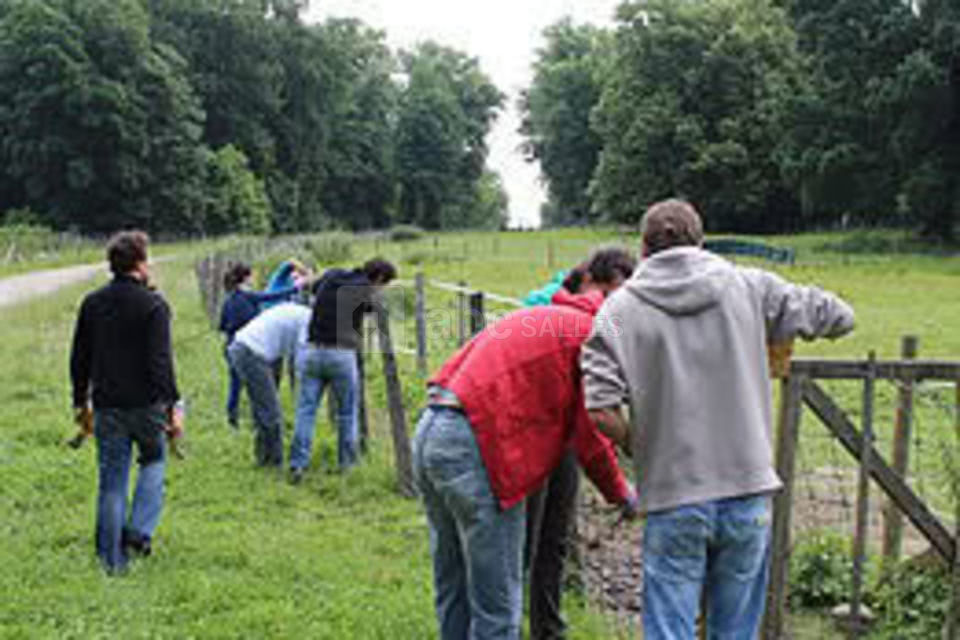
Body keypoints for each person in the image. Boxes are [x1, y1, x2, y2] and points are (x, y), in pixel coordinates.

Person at [581, 199, 855, 639]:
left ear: (644, 250)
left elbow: (599, 408)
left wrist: (640, 442)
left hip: (673, 496)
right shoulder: (749, 287)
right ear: (701, 241)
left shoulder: (617, 312)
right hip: (747, 489)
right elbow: (840, 317)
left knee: (669, 629)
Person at [412, 280, 637, 640]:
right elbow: (591, 434)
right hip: (475, 446)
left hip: (432, 429)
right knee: (498, 606)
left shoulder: (546, 318)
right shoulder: (591, 335)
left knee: (453, 584)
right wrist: (623, 494)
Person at [523, 247, 637, 640]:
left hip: (565, 433)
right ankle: (507, 621)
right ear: (591, 282)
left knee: (554, 538)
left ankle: (548, 628)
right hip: (533, 432)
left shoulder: (594, 316)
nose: (615, 304)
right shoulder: (545, 307)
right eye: (610, 293)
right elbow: (592, 416)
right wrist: (620, 489)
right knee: (527, 536)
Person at [69, 230, 181, 574]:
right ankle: (138, 532)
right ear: (140, 264)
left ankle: (111, 560)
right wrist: (172, 405)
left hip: (107, 405)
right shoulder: (154, 305)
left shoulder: (92, 303)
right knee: (153, 460)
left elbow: (79, 358)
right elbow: (160, 362)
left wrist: (79, 401)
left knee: (112, 481)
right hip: (147, 403)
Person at [288, 258, 397, 482]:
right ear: (377, 278)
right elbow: (375, 310)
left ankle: (298, 465)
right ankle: (347, 466)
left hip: (311, 349)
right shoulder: (365, 290)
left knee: (306, 410)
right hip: (341, 353)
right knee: (347, 413)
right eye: (382, 285)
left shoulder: (333, 274)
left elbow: (315, 287)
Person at [219, 262, 303, 428]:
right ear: (245, 278)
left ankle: (232, 419)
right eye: (251, 275)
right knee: (253, 385)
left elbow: (222, 326)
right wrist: (295, 288)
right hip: (248, 346)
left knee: (235, 385)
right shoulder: (248, 296)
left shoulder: (229, 299)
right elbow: (271, 297)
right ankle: (256, 418)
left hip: (230, 346)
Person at [227, 301, 311, 467]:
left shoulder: (300, 312)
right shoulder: (308, 321)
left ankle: (263, 459)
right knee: (271, 411)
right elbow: (300, 360)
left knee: (262, 409)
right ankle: (275, 463)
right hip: (251, 352)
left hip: (242, 347)